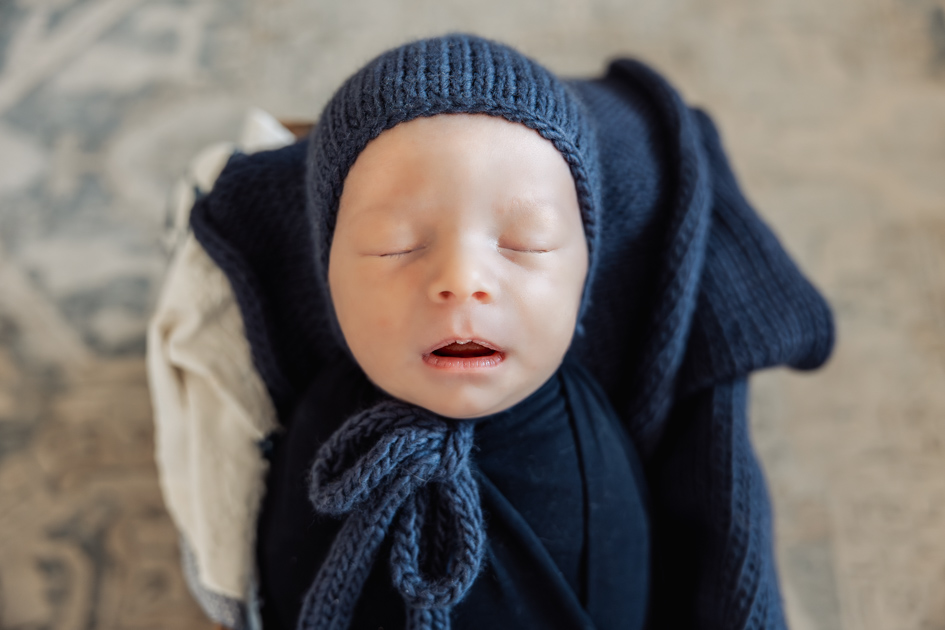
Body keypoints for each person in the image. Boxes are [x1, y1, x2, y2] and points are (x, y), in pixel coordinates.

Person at [148, 33, 835, 630]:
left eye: (526, 243)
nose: (461, 280)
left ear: (584, 275)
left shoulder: (583, 452)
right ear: (325, 273)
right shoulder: (325, 423)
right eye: (395, 243)